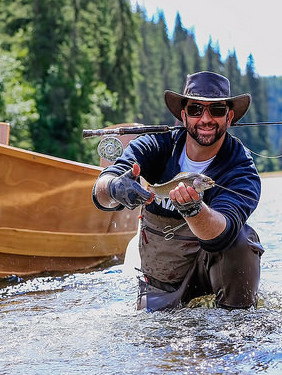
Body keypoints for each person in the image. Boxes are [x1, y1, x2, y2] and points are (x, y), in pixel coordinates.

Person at [92, 71, 264, 311]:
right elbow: (101, 189)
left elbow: (223, 233)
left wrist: (194, 210)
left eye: (216, 110)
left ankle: (234, 319)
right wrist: (114, 186)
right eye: (195, 110)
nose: (205, 119)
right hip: (162, 280)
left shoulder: (241, 169)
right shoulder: (156, 145)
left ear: (229, 116)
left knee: (243, 240)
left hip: (209, 272)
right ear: (183, 115)